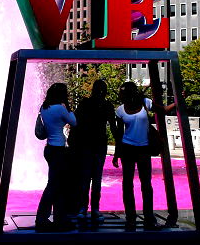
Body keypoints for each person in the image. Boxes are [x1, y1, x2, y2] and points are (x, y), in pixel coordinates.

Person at [112, 82, 167, 231]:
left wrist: (178, 102)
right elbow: (119, 134)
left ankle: (149, 219)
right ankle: (131, 219)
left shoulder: (145, 103)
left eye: (123, 92)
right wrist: (117, 154)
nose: (121, 95)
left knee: (146, 185)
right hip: (127, 149)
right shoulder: (120, 111)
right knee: (127, 184)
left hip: (144, 149)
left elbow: (163, 111)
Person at [35, 83, 77, 232]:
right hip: (59, 149)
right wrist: (68, 107)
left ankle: (59, 218)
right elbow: (74, 121)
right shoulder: (60, 108)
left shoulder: (44, 108)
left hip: (49, 148)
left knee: (57, 184)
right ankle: (42, 218)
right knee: (54, 185)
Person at [72, 80, 115, 226]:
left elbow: (75, 122)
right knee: (94, 178)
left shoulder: (87, 103)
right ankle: (92, 209)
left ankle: (85, 209)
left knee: (87, 177)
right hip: (94, 144)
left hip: (90, 144)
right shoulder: (102, 105)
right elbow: (113, 127)